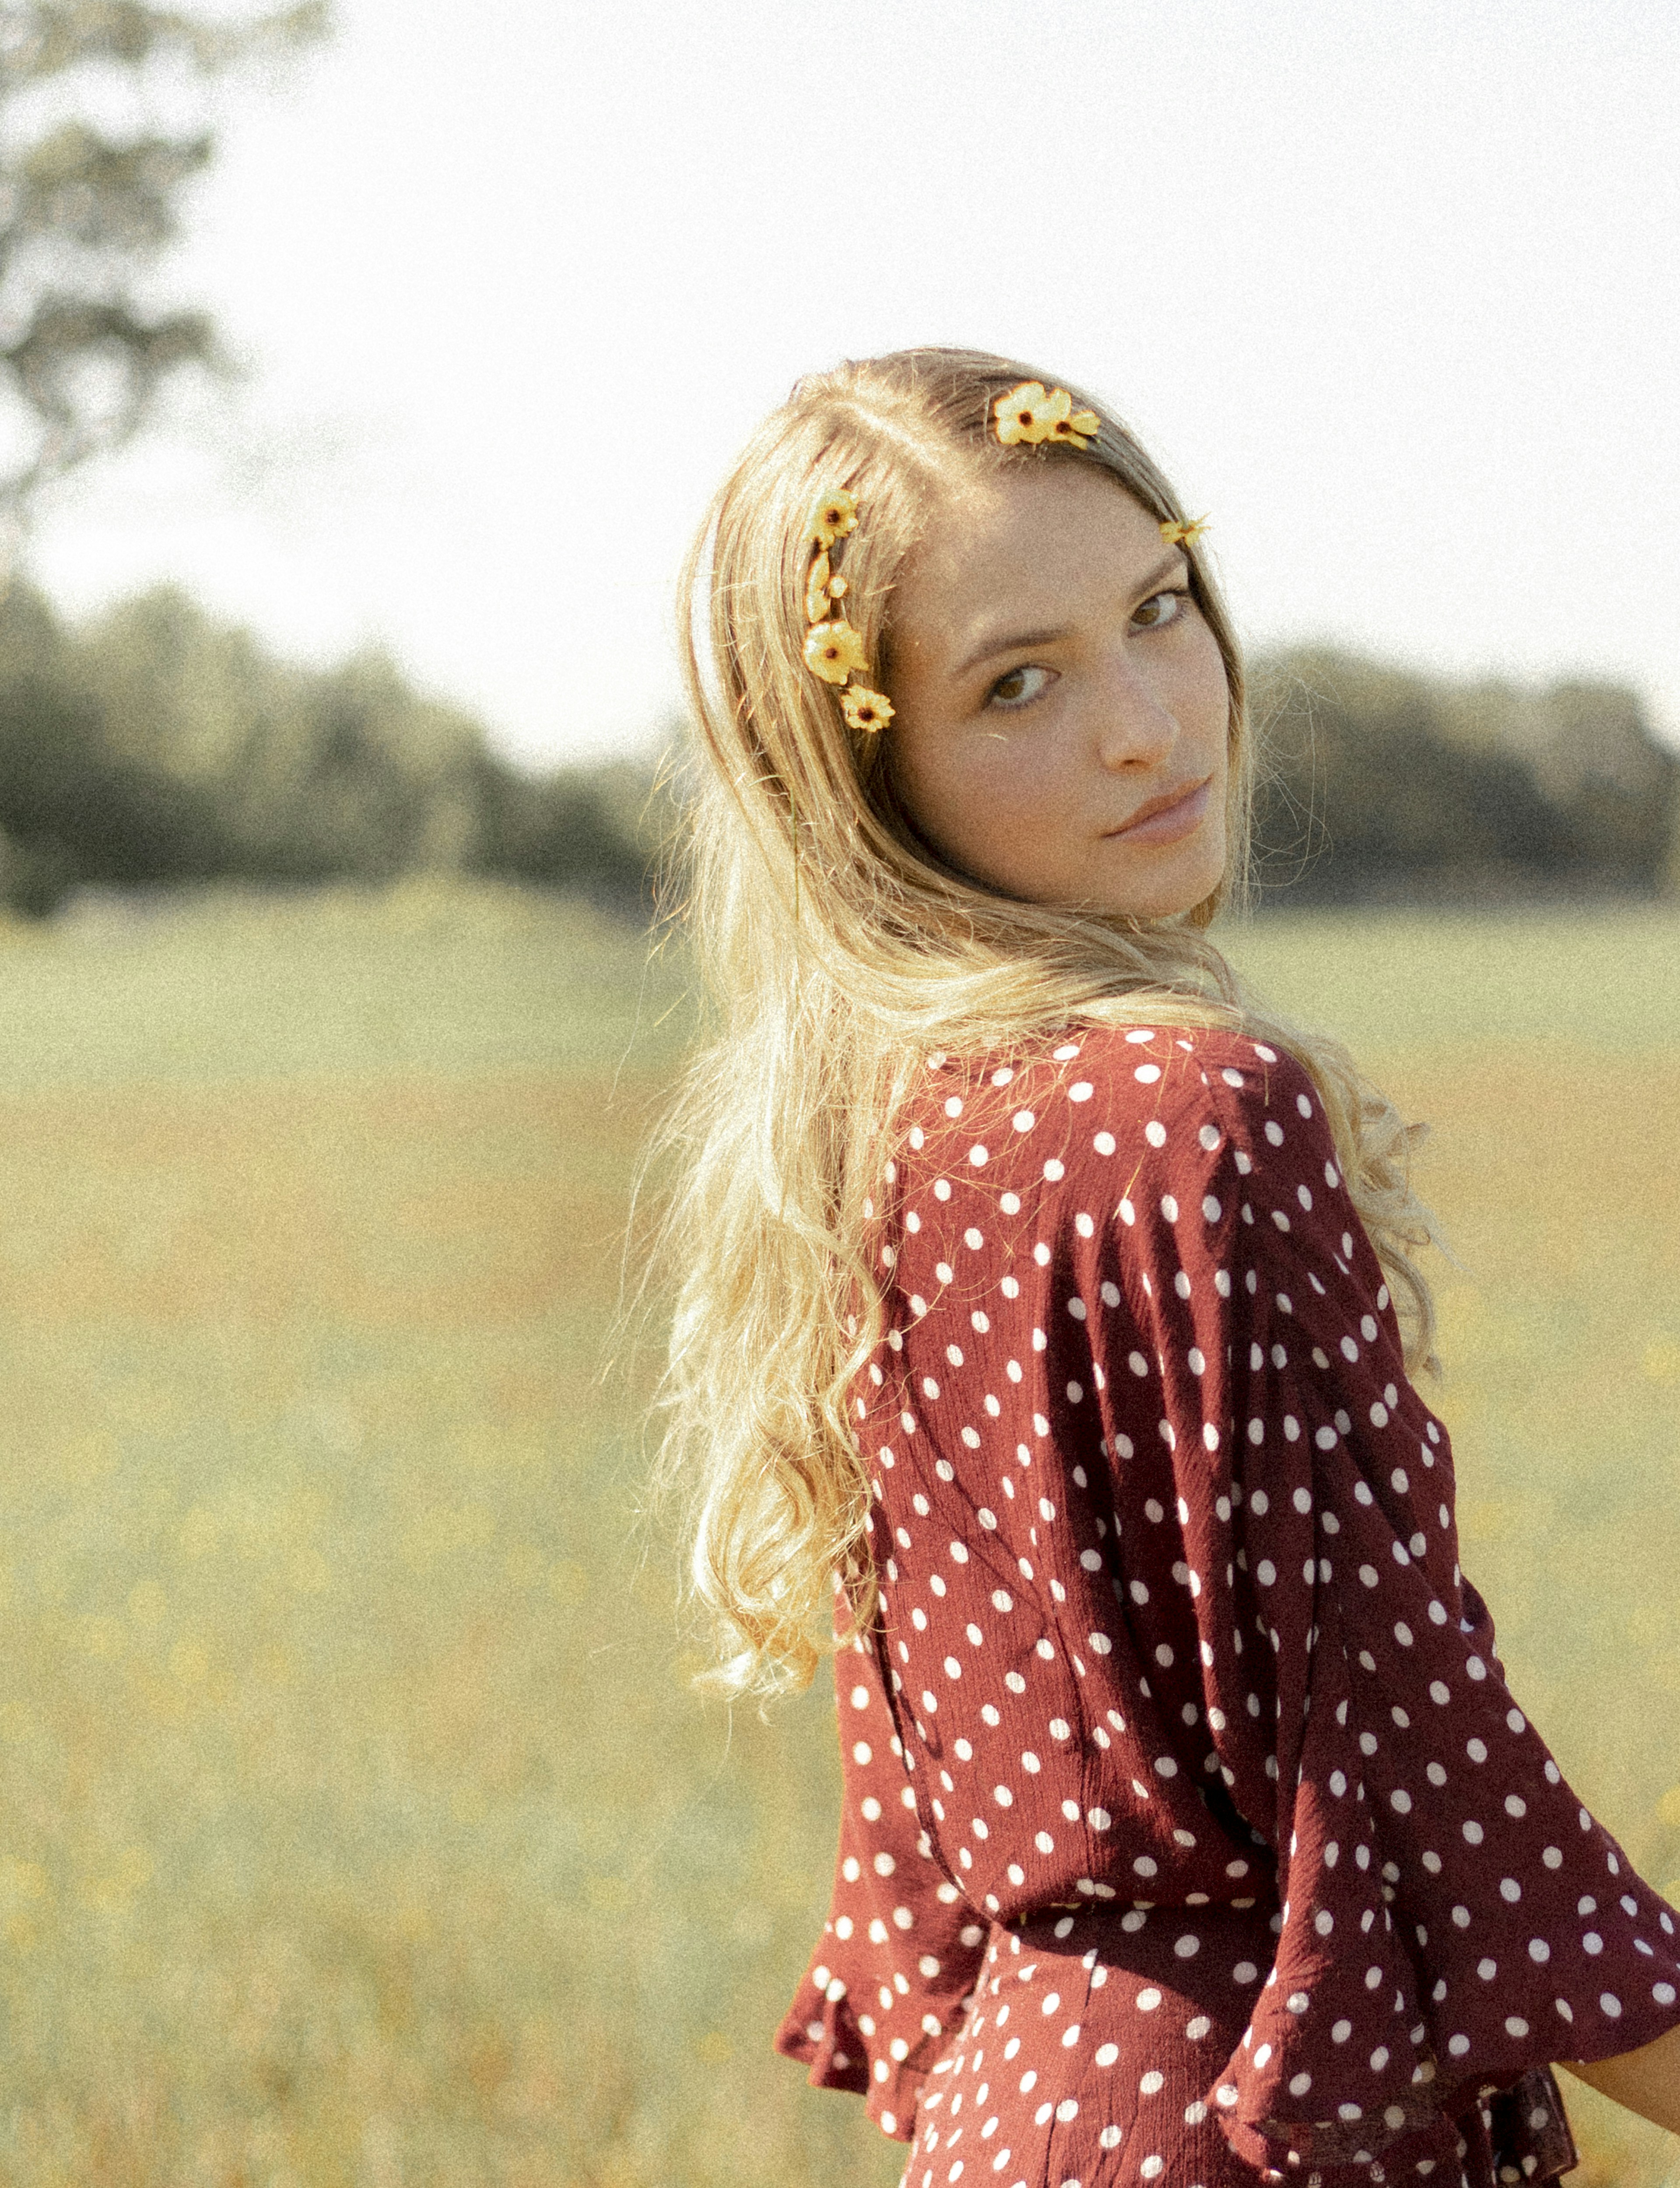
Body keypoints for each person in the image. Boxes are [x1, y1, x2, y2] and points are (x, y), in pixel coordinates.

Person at [648, 346, 1680, 2187]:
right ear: (863, 778)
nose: (1146, 720)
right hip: (1246, 2127)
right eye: (1017, 681)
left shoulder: (862, 1127)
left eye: (1157, 606)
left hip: (1017, 2130)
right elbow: (1433, 1786)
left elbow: (917, 1869)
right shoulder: (1186, 1108)